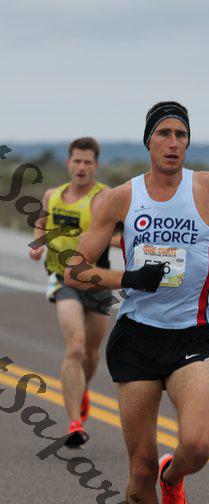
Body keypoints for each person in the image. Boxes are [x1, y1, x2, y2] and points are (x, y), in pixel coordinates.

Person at [64, 102, 209, 504]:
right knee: (139, 467)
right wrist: (127, 277)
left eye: (180, 134)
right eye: (163, 133)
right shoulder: (121, 198)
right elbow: (75, 270)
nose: (172, 142)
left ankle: (175, 475)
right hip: (137, 339)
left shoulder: (206, 187)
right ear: (149, 141)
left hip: (189, 337)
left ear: (188, 142)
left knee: (197, 447)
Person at [30, 137, 120, 447]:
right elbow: (42, 223)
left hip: (96, 280)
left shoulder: (106, 197)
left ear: (96, 165)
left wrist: (98, 239)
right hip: (62, 278)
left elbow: (119, 235)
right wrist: (37, 245)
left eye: (87, 162)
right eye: (77, 161)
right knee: (77, 347)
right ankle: (74, 424)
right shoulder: (52, 195)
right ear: (68, 163)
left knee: (92, 353)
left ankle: (80, 390)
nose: (81, 167)